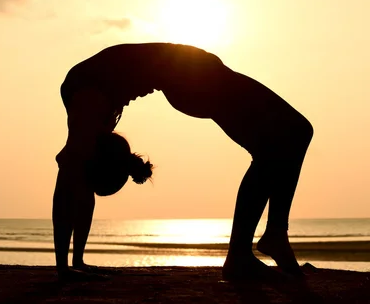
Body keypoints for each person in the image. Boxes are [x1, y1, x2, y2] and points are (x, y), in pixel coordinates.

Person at [53, 42, 313, 281]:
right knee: (292, 134)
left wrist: (71, 265)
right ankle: (252, 249)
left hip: (193, 74)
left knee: (287, 140)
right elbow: (75, 178)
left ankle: (264, 241)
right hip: (193, 77)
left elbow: (74, 179)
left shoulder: (88, 101)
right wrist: (69, 266)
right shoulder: (90, 104)